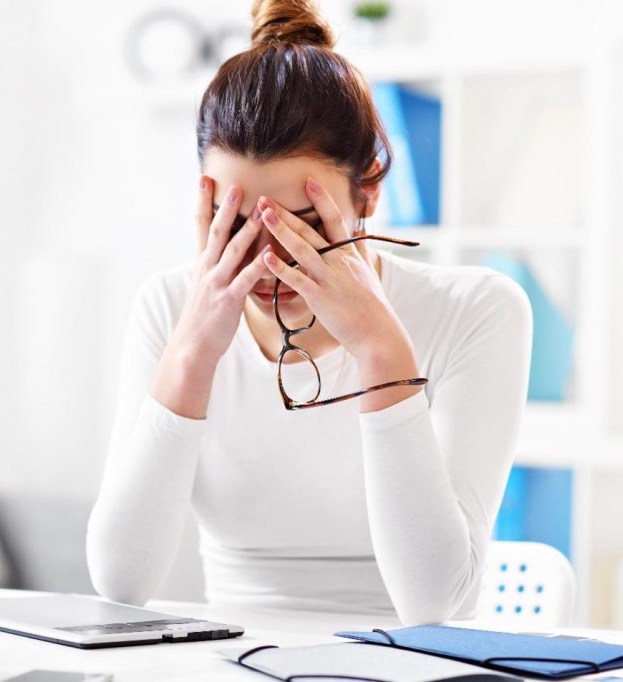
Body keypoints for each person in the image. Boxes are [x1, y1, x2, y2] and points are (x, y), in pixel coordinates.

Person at [86, 0, 531, 625]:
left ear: (368, 190)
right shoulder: (167, 306)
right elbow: (119, 583)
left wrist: (380, 348)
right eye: (235, 225)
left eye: (302, 225)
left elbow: (434, 604)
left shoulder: (475, 311)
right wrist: (194, 352)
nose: (270, 263)